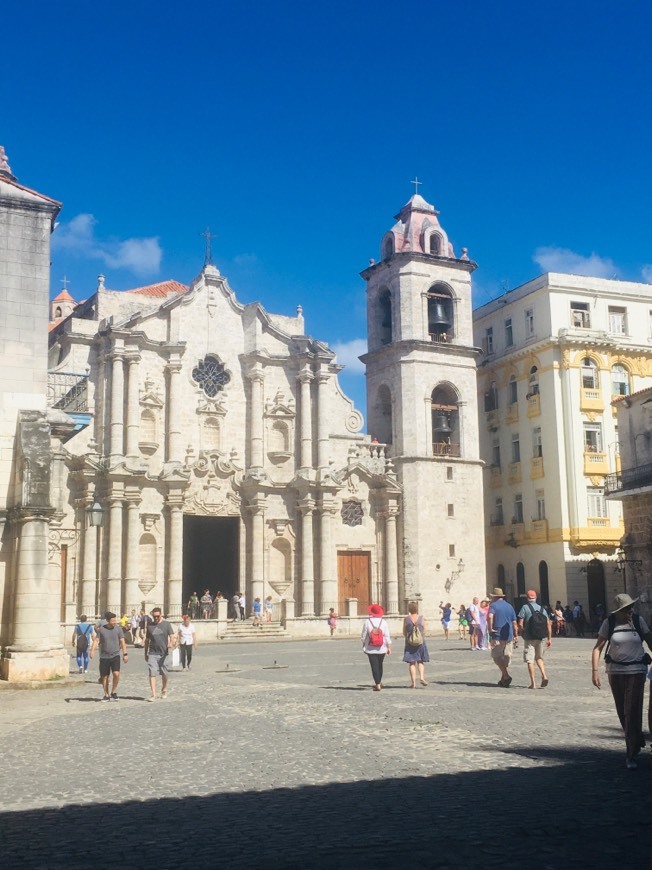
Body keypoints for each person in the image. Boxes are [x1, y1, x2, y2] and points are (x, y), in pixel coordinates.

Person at [592, 593, 652, 770]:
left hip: (636, 671)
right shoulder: (609, 623)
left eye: (631, 607)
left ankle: (630, 752)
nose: (629, 611)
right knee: (621, 710)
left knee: (631, 710)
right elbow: (597, 648)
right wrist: (594, 671)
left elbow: (650, 641)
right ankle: (635, 737)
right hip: (615, 671)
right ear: (618, 611)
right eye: (626, 609)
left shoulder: (639, 622)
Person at [89, 612, 128, 701]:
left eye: (115, 620)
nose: (114, 622)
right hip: (104, 656)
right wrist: (92, 651)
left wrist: (125, 654)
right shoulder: (102, 630)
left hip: (115, 655)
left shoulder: (118, 629)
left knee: (116, 674)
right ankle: (106, 694)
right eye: (112, 620)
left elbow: (122, 641)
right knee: (105, 676)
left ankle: (114, 691)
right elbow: (96, 640)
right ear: (107, 621)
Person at [517, 590, 552, 689]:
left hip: (529, 637)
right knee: (539, 658)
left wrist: (521, 632)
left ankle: (533, 683)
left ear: (527, 598)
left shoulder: (525, 607)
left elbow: (520, 623)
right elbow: (548, 624)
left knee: (530, 660)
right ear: (536, 598)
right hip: (541, 637)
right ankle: (544, 675)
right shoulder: (542, 609)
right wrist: (549, 638)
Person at [487, 588, 518, 687]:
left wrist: (490, 628)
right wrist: (516, 635)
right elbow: (514, 622)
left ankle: (506, 675)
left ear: (494, 597)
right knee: (506, 657)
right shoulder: (509, 606)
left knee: (496, 656)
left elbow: (490, 616)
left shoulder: (493, 606)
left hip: (498, 634)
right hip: (509, 635)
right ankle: (503, 680)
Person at [144, 606, 174, 701]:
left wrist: (171, 643)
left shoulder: (166, 624)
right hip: (152, 652)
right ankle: (153, 694)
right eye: (154, 616)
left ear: (161, 615)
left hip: (164, 653)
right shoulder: (150, 626)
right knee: (152, 673)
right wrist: (145, 653)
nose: (156, 618)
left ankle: (164, 689)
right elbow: (147, 641)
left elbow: (172, 635)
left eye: (157, 616)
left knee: (164, 673)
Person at [361, 604, 391, 691]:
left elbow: (364, 635)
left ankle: (377, 683)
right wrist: (389, 647)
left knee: (374, 666)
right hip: (382, 647)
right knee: (380, 665)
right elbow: (387, 636)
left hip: (370, 648)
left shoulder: (367, 622)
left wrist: (364, 643)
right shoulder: (384, 622)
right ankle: (379, 682)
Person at [403, 602, 429, 687]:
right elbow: (425, 630)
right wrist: (420, 635)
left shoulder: (406, 619)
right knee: (420, 660)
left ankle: (413, 683)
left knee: (412, 662)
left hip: (410, 642)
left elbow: (404, 632)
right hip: (420, 642)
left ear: (409, 609)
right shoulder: (422, 618)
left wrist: (409, 637)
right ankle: (422, 677)